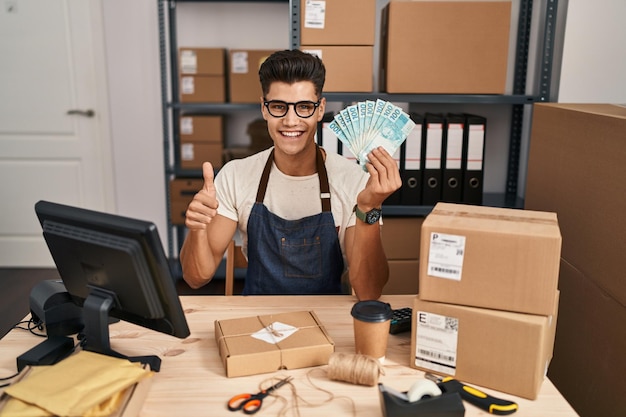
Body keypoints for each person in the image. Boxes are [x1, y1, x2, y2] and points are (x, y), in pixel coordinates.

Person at [180, 49, 401, 300]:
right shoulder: (236, 175)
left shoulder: (354, 182)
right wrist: (196, 229)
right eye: (278, 107)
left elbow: (369, 291)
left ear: (320, 109)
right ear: (264, 109)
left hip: (325, 321)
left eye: (304, 107)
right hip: (256, 320)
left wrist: (369, 208)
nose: (290, 120)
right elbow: (196, 278)